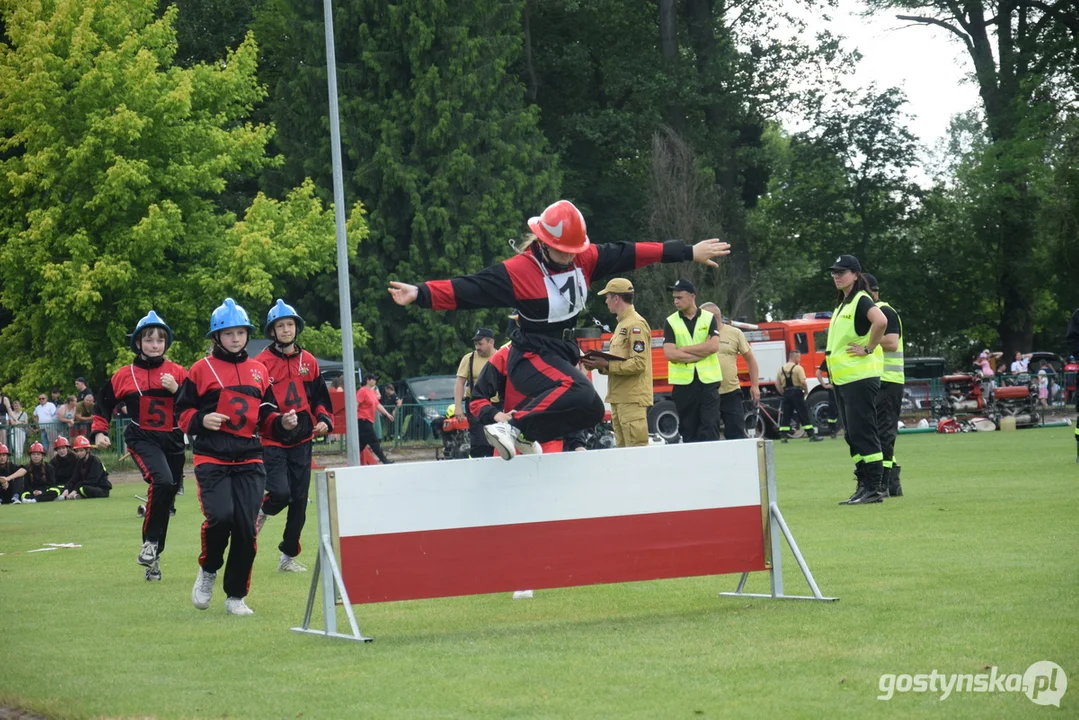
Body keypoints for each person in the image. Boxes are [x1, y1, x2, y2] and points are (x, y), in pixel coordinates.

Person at [388, 199, 730, 460]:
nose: (569, 259)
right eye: (562, 252)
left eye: (573, 252)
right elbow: (469, 288)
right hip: (530, 354)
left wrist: (686, 251)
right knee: (580, 393)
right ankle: (511, 425)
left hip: (562, 352)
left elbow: (631, 253)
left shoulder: (585, 257)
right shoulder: (519, 270)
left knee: (591, 410)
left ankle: (524, 435)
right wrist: (421, 293)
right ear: (542, 241)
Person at [175, 299, 299, 615]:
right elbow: (181, 411)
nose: (235, 339)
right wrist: (201, 419)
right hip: (211, 458)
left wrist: (282, 422)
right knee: (221, 518)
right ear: (216, 337)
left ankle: (235, 596)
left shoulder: (259, 370)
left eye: (240, 332)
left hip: (249, 459)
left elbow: (267, 414)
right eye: (228, 333)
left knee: (246, 527)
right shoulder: (200, 369)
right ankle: (208, 569)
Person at [92, 311, 189, 582]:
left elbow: (197, 403)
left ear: (166, 343)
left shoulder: (179, 372)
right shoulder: (124, 375)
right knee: (162, 482)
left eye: (160, 340)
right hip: (142, 438)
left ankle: (153, 556)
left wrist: (176, 391)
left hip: (173, 441)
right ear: (138, 343)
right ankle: (150, 546)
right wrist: (99, 432)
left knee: (166, 496)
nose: (155, 344)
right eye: (149, 340)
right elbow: (103, 404)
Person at [254, 299, 335, 574]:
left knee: (299, 501)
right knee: (281, 492)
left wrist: (323, 420)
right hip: (272, 440)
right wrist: (276, 422)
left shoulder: (308, 361)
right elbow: (256, 403)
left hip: (302, 440)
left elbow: (319, 399)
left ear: (296, 328)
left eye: (290, 324)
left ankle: (288, 557)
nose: (286, 330)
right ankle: (261, 513)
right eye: (280, 325)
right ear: (272, 331)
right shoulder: (260, 364)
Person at [825, 255, 888, 505]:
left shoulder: (861, 299)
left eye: (842, 272)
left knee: (863, 432)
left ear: (856, 275)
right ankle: (864, 485)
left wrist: (869, 348)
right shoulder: (844, 304)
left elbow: (880, 321)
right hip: (845, 380)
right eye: (834, 272)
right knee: (852, 434)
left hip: (859, 377)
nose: (836, 276)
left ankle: (874, 487)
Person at [580, 278, 652, 447]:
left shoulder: (636, 325)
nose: (606, 301)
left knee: (636, 452)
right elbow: (620, 360)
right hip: (620, 398)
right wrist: (600, 364)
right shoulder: (622, 325)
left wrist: (606, 365)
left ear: (616, 298)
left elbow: (639, 364)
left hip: (632, 400)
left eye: (607, 297)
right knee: (622, 453)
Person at [662, 280, 722, 443]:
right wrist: (700, 352)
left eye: (679, 297)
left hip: (708, 382)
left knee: (710, 426)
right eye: (674, 298)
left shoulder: (709, 318)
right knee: (688, 429)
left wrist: (684, 350)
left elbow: (713, 346)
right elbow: (670, 354)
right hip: (683, 385)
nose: (675, 301)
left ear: (692, 296)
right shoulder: (671, 321)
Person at [864, 273, 904, 497]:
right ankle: (892, 483)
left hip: (889, 380)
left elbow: (892, 342)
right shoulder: (878, 312)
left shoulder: (885, 311)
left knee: (884, 434)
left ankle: (884, 483)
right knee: (880, 433)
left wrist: (866, 340)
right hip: (881, 381)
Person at [700, 301, 760, 440]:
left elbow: (751, 360)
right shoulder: (699, 334)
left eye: (702, 317)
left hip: (731, 392)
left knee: (736, 433)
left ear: (713, 317)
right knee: (709, 434)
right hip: (708, 392)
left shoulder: (735, 333)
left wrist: (755, 386)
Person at [454, 328, 496, 458]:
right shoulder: (469, 358)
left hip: (497, 405)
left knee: (497, 440)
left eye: (480, 344)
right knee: (479, 442)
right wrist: (458, 407)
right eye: (476, 344)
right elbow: (460, 383)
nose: (477, 347)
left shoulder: (501, 356)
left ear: (491, 342)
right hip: (475, 405)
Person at [776, 351, 821, 442]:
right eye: (799, 358)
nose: (799, 359)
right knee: (803, 414)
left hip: (787, 393)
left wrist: (783, 392)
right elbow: (803, 382)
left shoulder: (781, 369)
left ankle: (783, 437)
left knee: (786, 415)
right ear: (795, 358)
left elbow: (777, 383)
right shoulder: (798, 368)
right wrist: (806, 391)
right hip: (796, 392)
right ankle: (812, 435)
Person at [356, 373, 395, 464]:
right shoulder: (362, 391)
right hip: (363, 420)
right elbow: (356, 404)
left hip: (368, 421)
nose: (375, 381)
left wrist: (387, 414)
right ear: (368, 380)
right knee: (374, 442)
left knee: (361, 445)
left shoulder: (372, 392)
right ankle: (384, 460)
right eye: (373, 379)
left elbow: (377, 404)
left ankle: (350, 462)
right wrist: (353, 419)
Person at [60, 435, 111, 500]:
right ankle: (79, 495)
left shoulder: (95, 461)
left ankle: (78, 494)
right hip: (88, 486)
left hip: (100, 488)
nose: (79, 453)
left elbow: (92, 481)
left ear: (88, 450)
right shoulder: (79, 462)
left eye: (81, 450)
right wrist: (67, 489)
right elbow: (74, 478)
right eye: (77, 451)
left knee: (83, 488)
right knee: (77, 487)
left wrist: (75, 489)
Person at [814, 360, 840, 439]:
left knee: (833, 410)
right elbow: (818, 373)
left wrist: (824, 385)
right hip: (841, 388)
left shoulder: (828, 358)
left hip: (834, 388)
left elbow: (818, 373)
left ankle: (832, 431)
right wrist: (825, 385)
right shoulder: (830, 358)